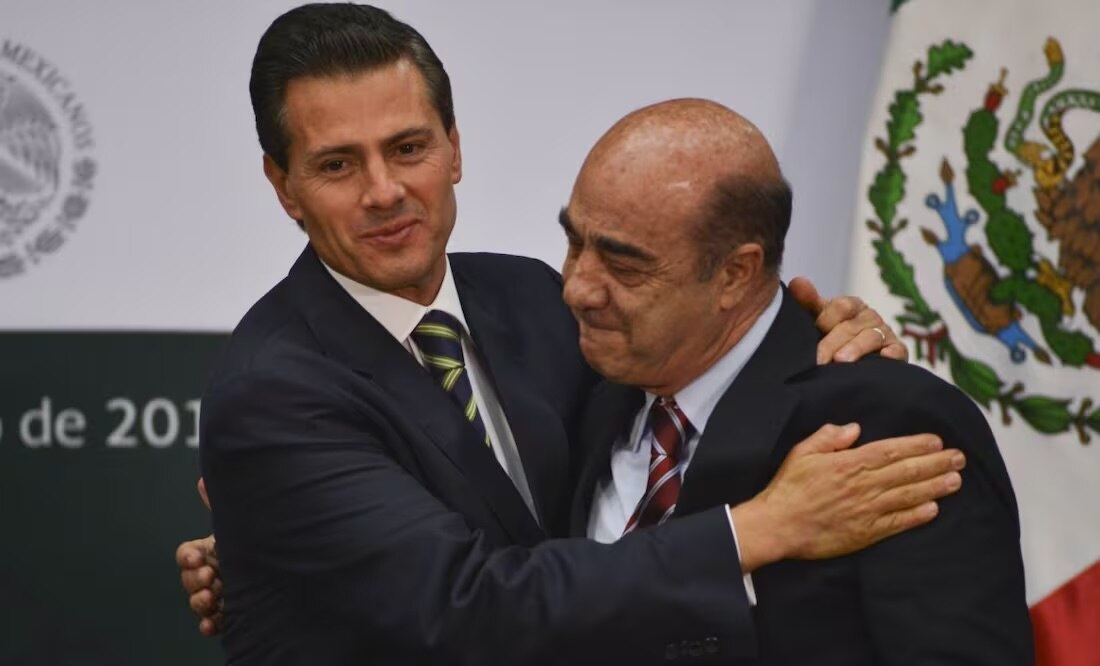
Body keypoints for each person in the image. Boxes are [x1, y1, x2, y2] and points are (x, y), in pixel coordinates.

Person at [181, 4, 968, 664]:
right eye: (337, 166)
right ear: (282, 186)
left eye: (409, 148)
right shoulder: (272, 392)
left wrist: (805, 338)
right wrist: (762, 529)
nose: (385, 191)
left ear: (455, 147)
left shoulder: (529, 296)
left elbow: (683, 391)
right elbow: (471, 608)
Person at [564, 98, 1033, 663]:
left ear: (736, 274)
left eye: (625, 266)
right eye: (573, 242)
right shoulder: (575, 378)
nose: (578, 288)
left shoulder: (887, 424)